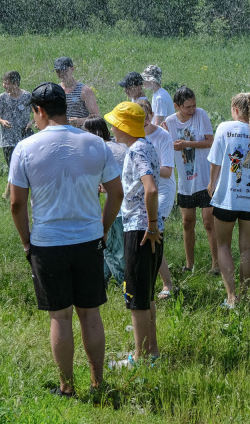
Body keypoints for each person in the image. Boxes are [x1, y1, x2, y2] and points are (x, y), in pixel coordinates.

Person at [9, 82, 123, 398]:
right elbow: (116, 194)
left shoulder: (25, 148)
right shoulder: (95, 144)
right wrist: (102, 228)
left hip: (47, 242)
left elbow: (17, 203)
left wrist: (26, 242)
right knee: (90, 313)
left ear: (40, 111)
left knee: (60, 316)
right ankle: (98, 382)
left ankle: (67, 387)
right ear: (64, 107)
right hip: (88, 240)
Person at [104, 102, 162, 368]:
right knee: (147, 294)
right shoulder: (148, 146)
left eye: (115, 123)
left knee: (136, 299)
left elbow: (149, 189)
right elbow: (140, 187)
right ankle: (152, 352)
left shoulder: (136, 150)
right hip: (148, 227)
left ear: (123, 126)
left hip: (140, 229)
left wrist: (150, 224)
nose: (112, 128)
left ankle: (138, 359)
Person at [207, 93, 250, 308]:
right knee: (247, 248)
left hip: (227, 199)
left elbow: (215, 162)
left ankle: (231, 298)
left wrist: (211, 185)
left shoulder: (225, 128)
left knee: (223, 245)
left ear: (236, 108)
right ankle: (245, 295)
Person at [163, 86, 218, 273]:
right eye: (187, 107)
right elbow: (164, 147)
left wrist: (187, 144)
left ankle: (216, 265)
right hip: (185, 181)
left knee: (209, 222)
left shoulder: (200, 115)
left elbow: (211, 142)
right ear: (177, 106)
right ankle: (189, 265)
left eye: (194, 105)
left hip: (204, 179)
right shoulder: (168, 123)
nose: (192, 109)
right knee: (187, 223)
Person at [82, 115, 128, 289]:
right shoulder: (119, 145)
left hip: (117, 208)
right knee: (111, 248)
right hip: (130, 206)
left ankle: (126, 286)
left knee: (111, 249)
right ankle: (99, 282)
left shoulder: (99, 151)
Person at [137, 101, 176, 300]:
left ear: (152, 115)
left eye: (145, 117)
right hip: (142, 190)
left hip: (162, 191)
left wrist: (143, 170)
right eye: (137, 118)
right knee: (146, 234)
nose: (142, 121)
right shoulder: (133, 134)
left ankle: (167, 284)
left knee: (153, 233)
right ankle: (148, 281)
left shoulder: (163, 136)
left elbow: (167, 172)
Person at [0, 70, 33, 199]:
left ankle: (10, 195)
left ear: (16, 83)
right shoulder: (3, 98)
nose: (4, 86)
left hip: (25, 137)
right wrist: (2, 121)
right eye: (4, 83)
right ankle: (11, 195)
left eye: (6, 83)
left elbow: (38, 112)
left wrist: (32, 122)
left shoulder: (27, 96)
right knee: (13, 167)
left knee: (23, 168)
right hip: (8, 139)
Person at [54, 56, 99, 128]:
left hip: (81, 134)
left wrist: (80, 121)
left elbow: (97, 117)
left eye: (65, 70)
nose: (61, 74)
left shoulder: (85, 91)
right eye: (58, 71)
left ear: (72, 69)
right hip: (62, 134)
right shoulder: (56, 91)